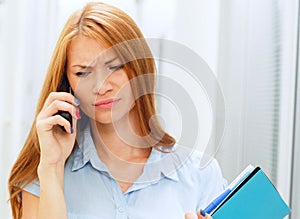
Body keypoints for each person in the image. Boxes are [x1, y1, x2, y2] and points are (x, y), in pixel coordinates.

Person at [8, 2, 226, 219]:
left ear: (140, 69)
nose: (101, 86)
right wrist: (52, 167)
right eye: (83, 73)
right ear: (68, 85)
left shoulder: (201, 174)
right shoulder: (43, 174)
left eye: (114, 67)